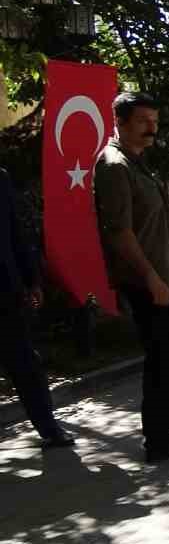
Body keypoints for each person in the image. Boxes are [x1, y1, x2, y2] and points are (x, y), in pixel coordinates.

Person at [95, 92, 169, 463]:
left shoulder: (137, 161)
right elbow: (120, 232)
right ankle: (158, 440)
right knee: (160, 357)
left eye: (154, 122)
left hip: (164, 274)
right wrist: (152, 278)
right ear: (121, 121)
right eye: (144, 121)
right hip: (146, 280)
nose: (152, 129)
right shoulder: (115, 166)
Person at [1, 167, 72, 448]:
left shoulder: (1, 178)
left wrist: (32, 281)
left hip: (5, 293)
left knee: (26, 364)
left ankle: (49, 427)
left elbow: (15, 233)